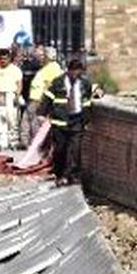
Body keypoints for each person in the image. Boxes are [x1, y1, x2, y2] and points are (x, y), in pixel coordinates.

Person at [41, 58, 93, 186]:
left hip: (77, 122)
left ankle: (73, 176)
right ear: (68, 71)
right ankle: (60, 174)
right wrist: (42, 113)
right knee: (60, 150)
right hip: (60, 122)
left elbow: (87, 102)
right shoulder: (58, 82)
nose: (76, 75)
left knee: (76, 150)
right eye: (74, 72)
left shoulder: (84, 84)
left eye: (78, 72)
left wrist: (86, 120)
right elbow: (48, 98)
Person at [24, 46, 62, 146]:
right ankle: (30, 142)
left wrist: (45, 99)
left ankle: (34, 143)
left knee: (32, 121)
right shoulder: (46, 67)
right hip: (35, 97)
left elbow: (51, 85)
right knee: (30, 120)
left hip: (40, 98)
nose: (41, 58)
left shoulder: (53, 68)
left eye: (43, 55)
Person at [0, 49, 23, 151]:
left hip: (11, 95)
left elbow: (19, 85)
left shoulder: (15, 69)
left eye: (5, 58)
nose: (3, 60)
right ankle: (2, 143)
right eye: (1, 59)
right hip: (0, 96)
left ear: (9, 58)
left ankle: (13, 143)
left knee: (12, 121)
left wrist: (16, 96)